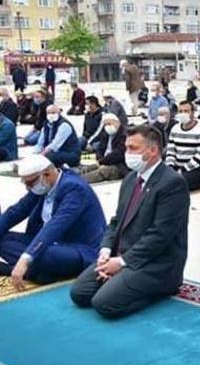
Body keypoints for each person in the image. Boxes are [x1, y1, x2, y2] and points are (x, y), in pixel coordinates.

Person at [70, 125, 190, 319]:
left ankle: (159, 290)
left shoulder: (172, 183)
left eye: (133, 148)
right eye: (126, 147)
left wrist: (121, 263)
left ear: (153, 150)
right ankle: (122, 279)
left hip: (156, 263)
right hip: (123, 254)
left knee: (104, 304)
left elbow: (160, 235)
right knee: (80, 293)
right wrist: (105, 251)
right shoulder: (131, 179)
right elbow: (116, 221)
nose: (127, 153)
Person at [0, 155, 106, 288]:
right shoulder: (41, 186)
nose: (27, 188)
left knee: (47, 255)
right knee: (3, 239)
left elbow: (55, 226)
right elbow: (15, 212)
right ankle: (40, 273)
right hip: (47, 242)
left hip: (75, 247)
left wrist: (26, 258)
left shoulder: (74, 188)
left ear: (47, 174)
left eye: (29, 183)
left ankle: (18, 270)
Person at [165, 101, 200, 191]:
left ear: (193, 113)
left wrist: (183, 170)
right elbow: (170, 151)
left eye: (186, 111)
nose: (183, 114)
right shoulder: (175, 129)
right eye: (180, 111)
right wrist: (170, 168)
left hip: (195, 168)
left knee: (178, 183)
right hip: (177, 167)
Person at [80, 113, 129, 184]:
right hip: (104, 161)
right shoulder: (106, 134)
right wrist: (100, 159)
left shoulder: (124, 135)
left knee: (103, 171)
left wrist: (101, 162)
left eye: (109, 124)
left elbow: (118, 154)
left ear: (117, 122)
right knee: (88, 168)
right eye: (105, 125)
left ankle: (80, 181)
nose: (107, 126)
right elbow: (100, 149)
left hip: (119, 165)